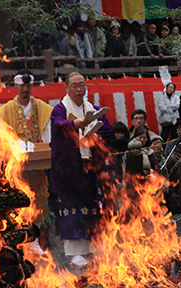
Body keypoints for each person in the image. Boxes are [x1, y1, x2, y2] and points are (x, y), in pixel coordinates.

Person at [50, 72, 113, 267]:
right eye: (74, 86)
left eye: (82, 85)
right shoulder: (59, 109)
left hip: (90, 165)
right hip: (70, 167)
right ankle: (75, 252)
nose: (79, 89)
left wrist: (95, 138)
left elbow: (107, 131)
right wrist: (75, 125)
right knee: (72, 207)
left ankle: (93, 247)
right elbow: (57, 127)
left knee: (93, 206)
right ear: (67, 88)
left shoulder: (92, 109)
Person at [0, 69, 53, 254]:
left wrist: (40, 146)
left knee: (39, 198)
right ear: (16, 86)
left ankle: (34, 240)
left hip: (36, 161)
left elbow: (47, 132)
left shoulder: (42, 108)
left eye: (28, 85)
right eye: (22, 85)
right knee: (18, 200)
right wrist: (16, 144)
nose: (25, 89)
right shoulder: (5, 110)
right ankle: (19, 240)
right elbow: (1, 134)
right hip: (16, 163)